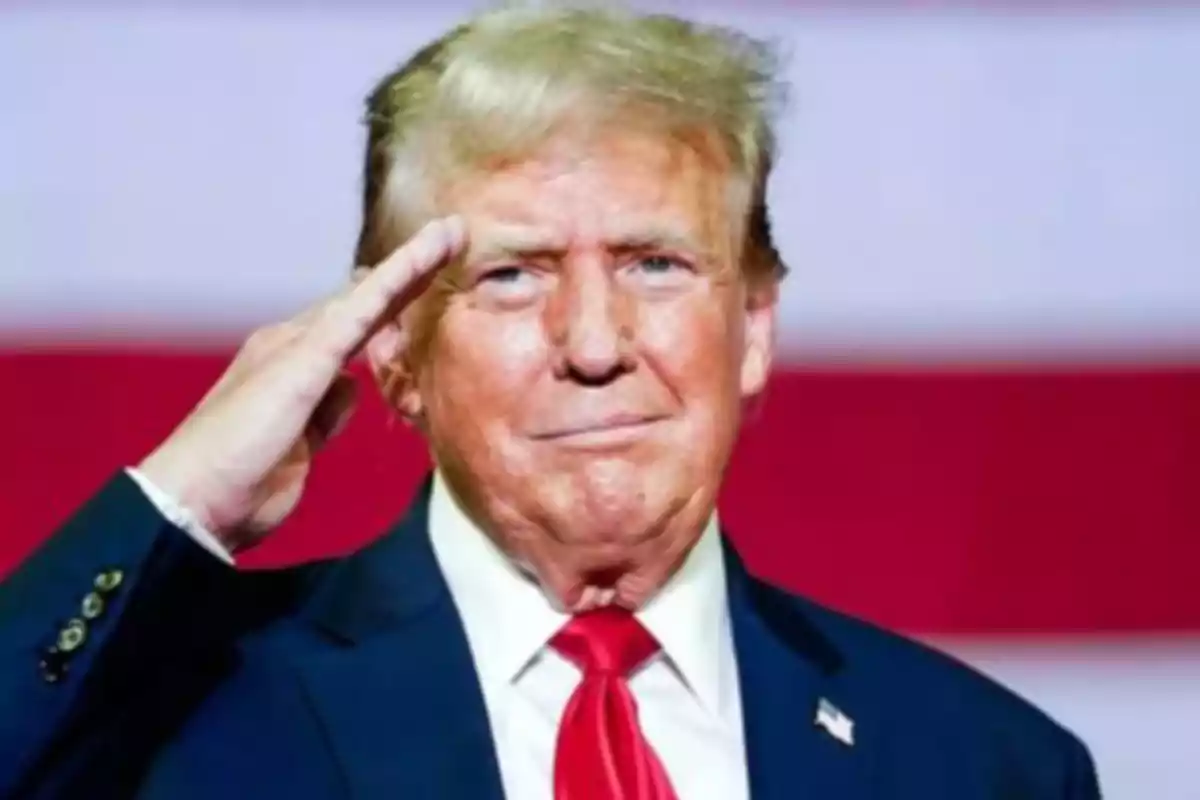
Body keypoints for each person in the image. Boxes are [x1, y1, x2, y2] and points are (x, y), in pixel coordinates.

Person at [0, 6, 1101, 799]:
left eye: (656, 263)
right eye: (512, 273)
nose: (592, 343)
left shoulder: (986, 762)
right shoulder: (168, 709)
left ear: (753, 328)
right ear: (393, 349)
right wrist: (179, 496)